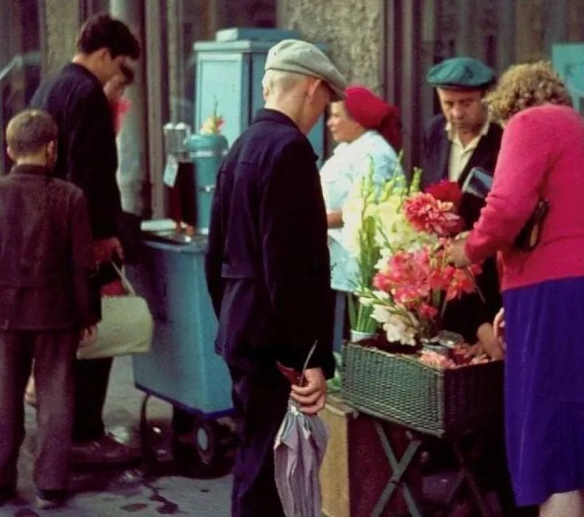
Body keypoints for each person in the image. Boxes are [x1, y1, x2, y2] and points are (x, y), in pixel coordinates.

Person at [449, 61, 584, 517]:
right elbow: (580, 230)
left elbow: (508, 208)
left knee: (554, 443)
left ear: (512, 104)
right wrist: (517, 305)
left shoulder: (530, 123)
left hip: (559, 296)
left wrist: (466, 249)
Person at [205, 39, 344, 516]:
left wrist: (230, 316)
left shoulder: (241, 147)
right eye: (324, 99)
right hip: (272, 340)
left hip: (242, 328)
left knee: (255, 459)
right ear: (311, 88)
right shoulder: (290, 151)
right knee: (268, 472)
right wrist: (307, 356)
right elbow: (293, 268)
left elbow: (214, 253)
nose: (321, 113)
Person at [29, 13, 141, 464]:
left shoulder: (48, 87)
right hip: (76, 237)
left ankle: (59, 438)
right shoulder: (88, 94)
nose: (118, 77)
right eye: (118, 66)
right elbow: (92, 175)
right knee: (92, 334)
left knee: (60, 344)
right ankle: (84, 435)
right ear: (102, 54)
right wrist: (99, 236)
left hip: (44, 234)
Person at [0, 110, 99, 510]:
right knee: (56, 397)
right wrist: (88, 313)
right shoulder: (71, 197)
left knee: (3, 395)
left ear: (9, 150)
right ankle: (51, 482)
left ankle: (1, 476)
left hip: (4, 312)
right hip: (57, 313)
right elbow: (83, 264)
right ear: (52, 148)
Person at [423, 56, 503, 356]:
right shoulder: (434, 132)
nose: (456, 112)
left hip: (488, 275)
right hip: (445, 272)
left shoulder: (503, 138)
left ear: (485, 98)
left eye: (466, 103)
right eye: (448, 103)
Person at [319, 86, 403, 345]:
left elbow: (365, 208)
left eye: (336, 116)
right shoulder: (351, 147)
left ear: (356, 119)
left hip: (362, 263)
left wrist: (314, 221)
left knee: (357, 334)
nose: (330, 123)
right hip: (342, 259)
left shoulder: (374, 153)